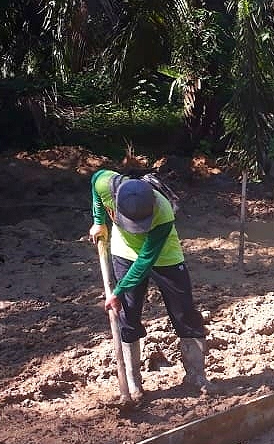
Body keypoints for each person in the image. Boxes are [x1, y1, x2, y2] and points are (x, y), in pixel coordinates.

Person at [88, 170, 210, 404]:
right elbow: (94, 185)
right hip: (124, 253)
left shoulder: (163, 210)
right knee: (127, 314)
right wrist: (98, 221)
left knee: (184, 311)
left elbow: (146, 259)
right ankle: (133, 383)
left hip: (164, 256)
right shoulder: (105, 183)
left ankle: (196, 375)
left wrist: (118, 290)